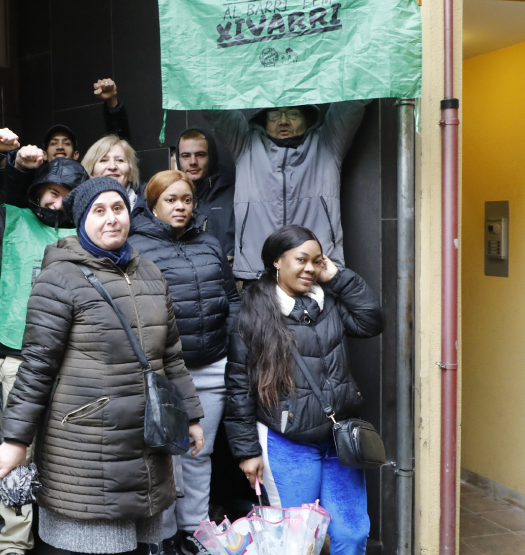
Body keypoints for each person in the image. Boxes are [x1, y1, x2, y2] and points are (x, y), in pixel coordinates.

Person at [0, 176, 205, 555]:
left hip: (145, 445)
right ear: (81, 220)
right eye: (99, 210)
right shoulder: (60, 278)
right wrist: (15, 441)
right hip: (88, 447)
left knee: (140, 547)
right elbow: (37, 367)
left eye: (118, 208)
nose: (111, 219)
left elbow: (171, 356)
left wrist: (190, 415)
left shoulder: (152, 275)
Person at [0, 128, 89, 555]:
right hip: (17, 358)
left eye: (65, 193)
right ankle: (13, 540)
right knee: (15, 453)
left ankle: (66, 532)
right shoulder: (11, 219)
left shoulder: (91, 234)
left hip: (76, 360)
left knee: (69, 454)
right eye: (47, 190)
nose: (55, 200)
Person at [224, 225, 384, 555]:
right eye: (301, 259)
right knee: (296, 543)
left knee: (352, 534)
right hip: (287, 442)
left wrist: (336, 275)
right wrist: (247, 451)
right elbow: (239, 386)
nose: (310, 268)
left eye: (317, 261)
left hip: (338, 441)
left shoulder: (331, 304)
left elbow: (371, 320)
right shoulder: (251, 313)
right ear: (276, 262)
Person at [127, 171, 240, 554]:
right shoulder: (135, 247)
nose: (180, 207)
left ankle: (195, 529)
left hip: (212, 365)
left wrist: (235, 343)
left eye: (187, 200)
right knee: (165, 456)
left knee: (199, 451)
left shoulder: (208, 243)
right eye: (171, 200)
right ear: (153, 203)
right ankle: (163, 534)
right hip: (165, 371)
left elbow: (232, 298)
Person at [203, 100, 368, 279]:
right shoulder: (245, 145)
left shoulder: (328, 143)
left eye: (293, 114)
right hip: (258, 272)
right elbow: (215, 107)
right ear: (263, 121)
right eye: (274, 115)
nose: (283, 121)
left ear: (307, 119)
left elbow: (353, 101)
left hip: (316, 272)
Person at [174, 128, 236, 259]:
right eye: (185, 156)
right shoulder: (169, 198)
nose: (193, 162)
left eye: (200, 154)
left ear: (211, 156)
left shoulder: (233, 196)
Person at [81, 134, 141, 206]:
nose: (112, 167)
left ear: (131, 174)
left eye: (119, 160)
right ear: (90, 172)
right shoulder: (78, 210)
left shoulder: (149, 208)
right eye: (103, 160)